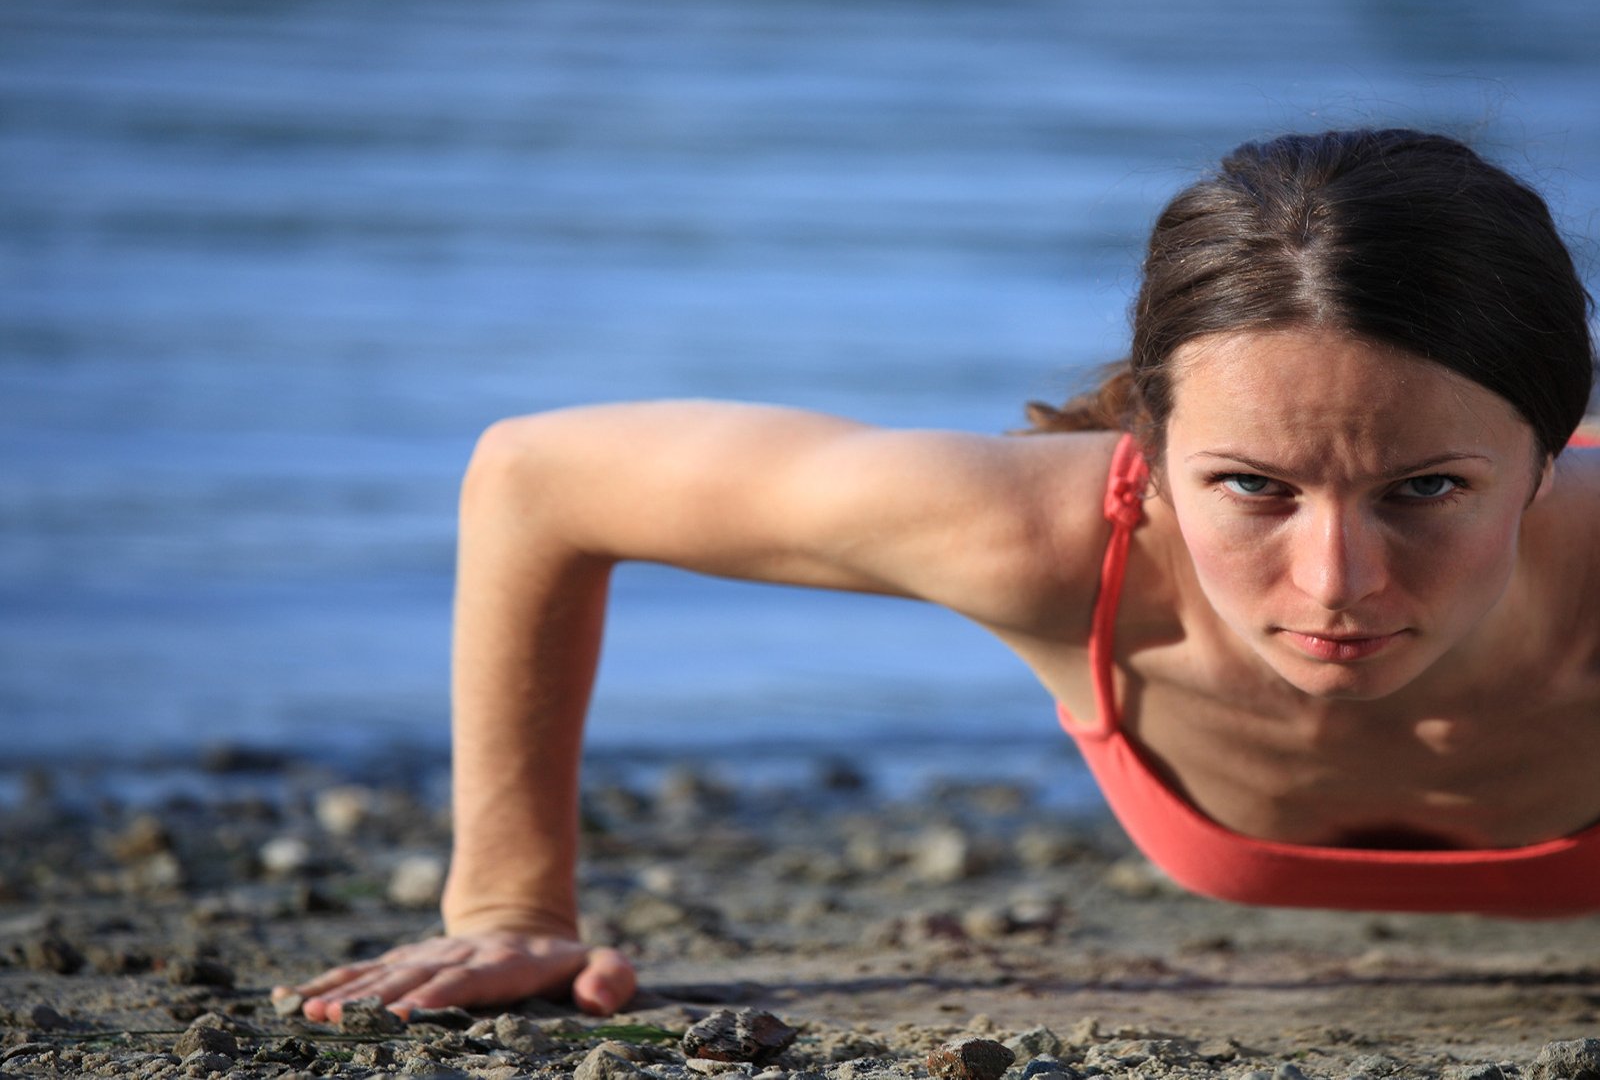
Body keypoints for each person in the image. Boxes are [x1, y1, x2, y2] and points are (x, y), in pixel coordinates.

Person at [274, 128, 1600, 1023]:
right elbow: (537, 478)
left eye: (1424, 490)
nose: (1336, 580)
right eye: (1253, 486)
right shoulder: (1039, 541)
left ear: (1546, 460)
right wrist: (511, 902)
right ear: (1151, 445)